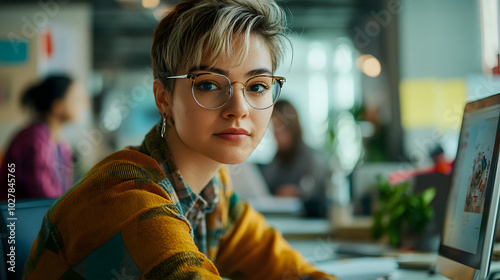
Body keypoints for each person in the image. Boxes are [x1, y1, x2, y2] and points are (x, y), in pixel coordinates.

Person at [23, 1, 337, 279]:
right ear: (164, 99)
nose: (239, 109)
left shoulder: (214, 190)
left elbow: (285, 269)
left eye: (257, 86)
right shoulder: (130, 201)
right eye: (209, 85)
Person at [0, 74, 87, 200]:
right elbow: (42, 196)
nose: (84, 105)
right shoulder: (34, 139)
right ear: (57, 106)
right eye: (76, 99)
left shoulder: (61, 144)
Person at [259, 100, 332, 217]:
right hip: (283, 216)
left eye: (278, 126)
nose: (275, 133)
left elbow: (317, 187)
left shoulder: (311, 156)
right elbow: (268, 186)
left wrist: (298, 192)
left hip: (309, 217)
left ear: (290, 126)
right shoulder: (277, 158)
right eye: (273, 126)